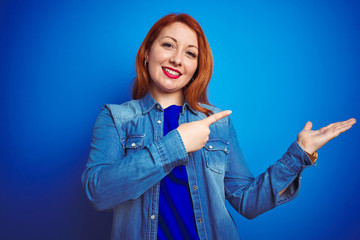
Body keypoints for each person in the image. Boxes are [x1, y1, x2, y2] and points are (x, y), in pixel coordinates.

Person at [81, 13, 356, 240]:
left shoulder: (217, 122)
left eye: (190, 53)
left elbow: (247, 202)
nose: (177, 59)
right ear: (147, 52)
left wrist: (300, 154)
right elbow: (99, 193)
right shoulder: (116, 118)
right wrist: (176, 145)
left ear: (197, 67)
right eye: (168, 45)